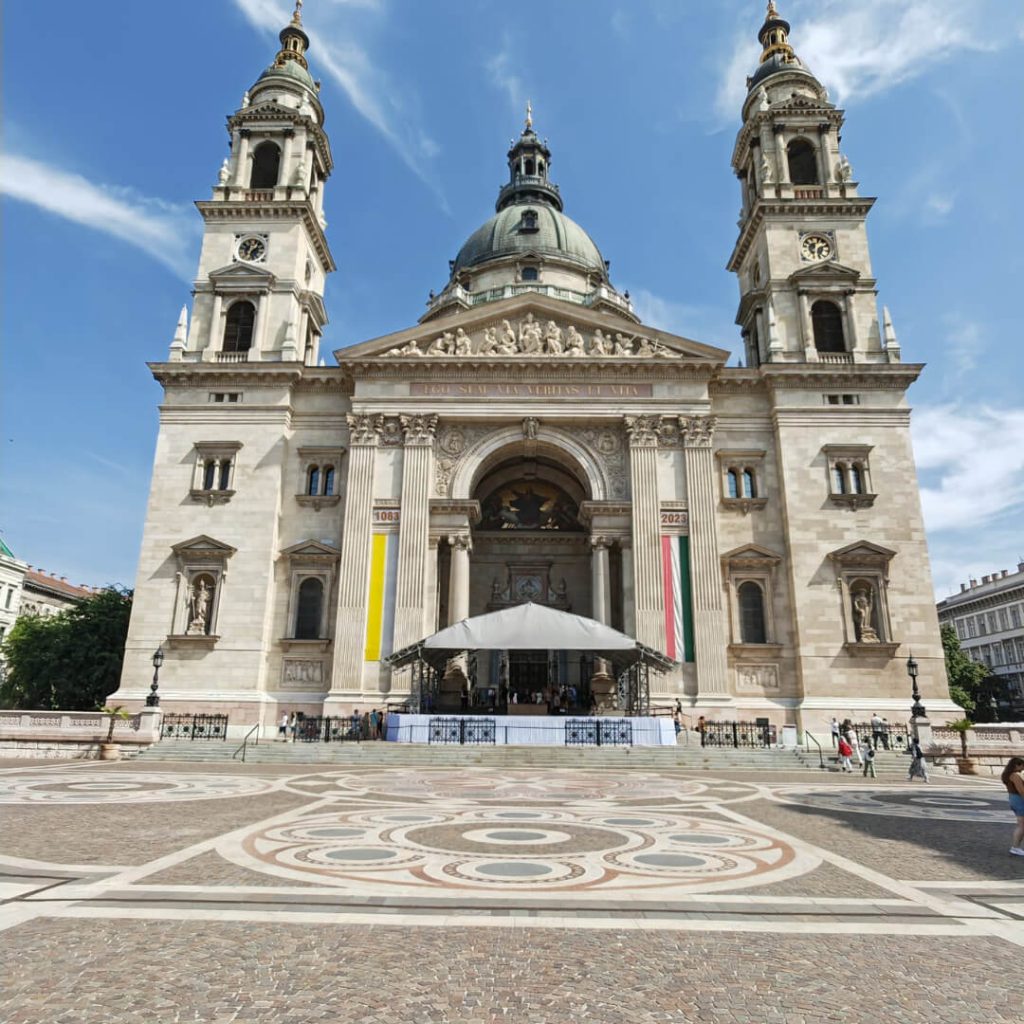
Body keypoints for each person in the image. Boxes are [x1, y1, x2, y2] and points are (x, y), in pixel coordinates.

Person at [1001, 757, 1024, 856]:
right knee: (1022, 825)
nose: (1022, 768)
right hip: (1019, 799)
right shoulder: (1015, 776)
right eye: (1022, 766)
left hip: (1013, 798)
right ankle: (1015, 847)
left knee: (1021, 824)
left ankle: (1016, 847)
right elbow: (1022, 791)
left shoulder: (1007, 775)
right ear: (1016, 765)